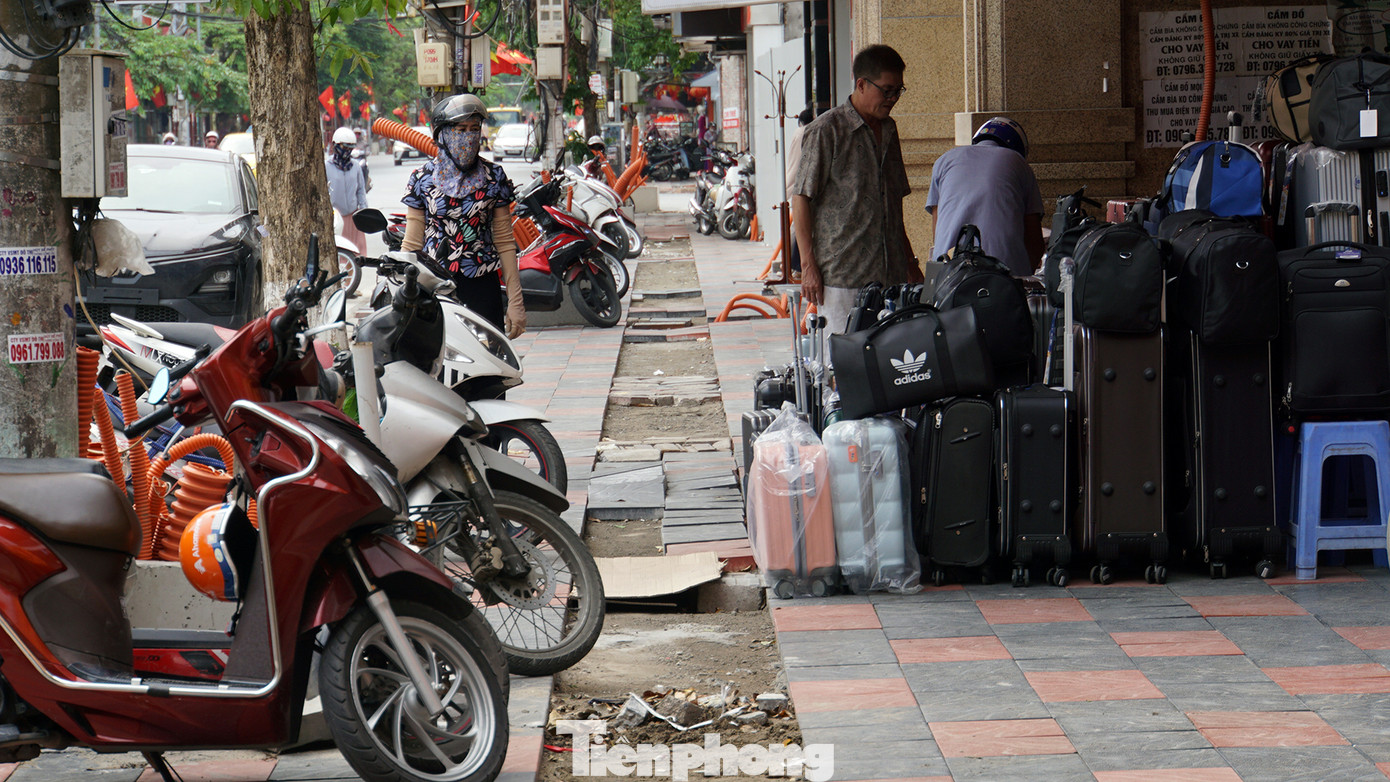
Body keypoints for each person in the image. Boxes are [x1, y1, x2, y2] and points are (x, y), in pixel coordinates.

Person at [791, 45, 921, 336]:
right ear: (861, 84)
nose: (893, 99)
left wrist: (910, 262)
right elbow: (800, 198)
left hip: (891, 274)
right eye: (887, 90)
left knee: (890, 364)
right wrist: (807, 265)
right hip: (843, 276)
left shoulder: (890, 130)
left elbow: (894, 204)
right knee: (843, 365)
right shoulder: (826, 130)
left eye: (898, 91)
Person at [400, 93, 526, 339]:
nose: (468, 137)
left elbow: (504, 242)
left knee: (489, 363)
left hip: (482, 284)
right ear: (443, 134)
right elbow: (412, 244)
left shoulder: (494, 177)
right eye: (460, 129)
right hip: (435, 286)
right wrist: (403, 290)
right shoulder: (421, 179)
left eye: (474, 129)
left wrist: (516, 301)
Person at [925, 117, 1044, 277]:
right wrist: (1024, 275)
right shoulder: (1018, 163)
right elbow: (1034, 239)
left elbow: (937, 228)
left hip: (947, 273)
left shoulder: (944, 160)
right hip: (1004, 276)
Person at [326, 126, 370, 255]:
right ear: (335, 146)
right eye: (344, 148)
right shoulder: (326, 166)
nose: (347, 152)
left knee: (357, 254)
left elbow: (361, 190)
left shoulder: (355, 166)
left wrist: (364, 212)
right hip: (335, 219)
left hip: (353, 217)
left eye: (350, 148)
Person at [783, 106, 815, 275]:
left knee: (797, 228)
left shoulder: (799, 132)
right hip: (801, 186)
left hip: (796, 184)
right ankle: (793, 266)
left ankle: (790, 265)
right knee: (799, 228)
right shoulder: (807, 132)